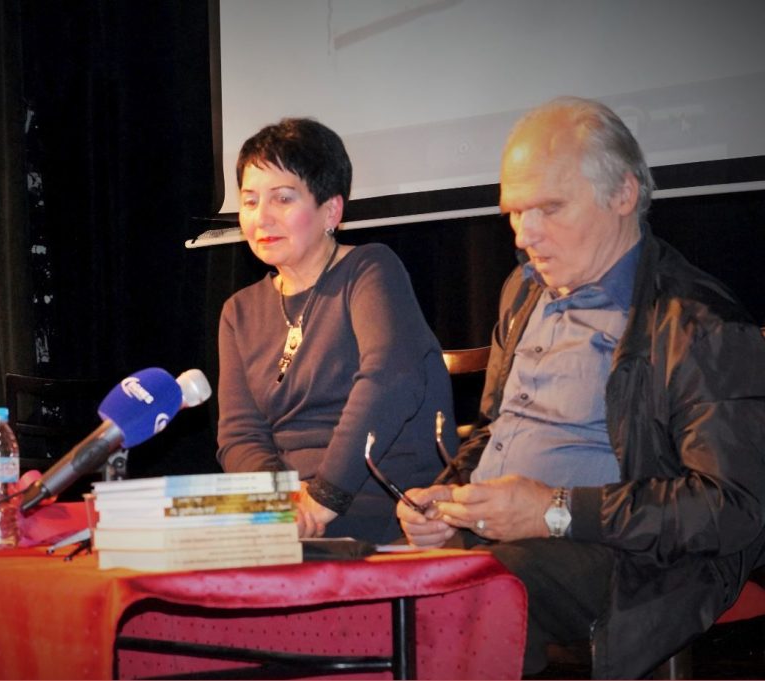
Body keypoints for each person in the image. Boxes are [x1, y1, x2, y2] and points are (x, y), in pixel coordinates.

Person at [398, 96, 765, 678]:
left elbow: (732, 508)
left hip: (636, 563)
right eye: (514, 213)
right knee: (379, 584)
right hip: (505, 543)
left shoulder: (697, 323)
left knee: (474, 593)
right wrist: (449, 496)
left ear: (623, 194)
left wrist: (555, 511)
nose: (526, 235)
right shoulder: (523, 292)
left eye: (549, 208)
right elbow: (495, 431)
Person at [216, 117, 456, 543]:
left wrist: (323, 498)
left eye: (282, 199)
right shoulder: (239, 311)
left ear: (331, 210)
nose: (261, 217)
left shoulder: (369, 270)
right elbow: (240, 434)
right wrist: (282, 505)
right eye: (250, 201)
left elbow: (390, 380)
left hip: (378, 501)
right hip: (297, 512)